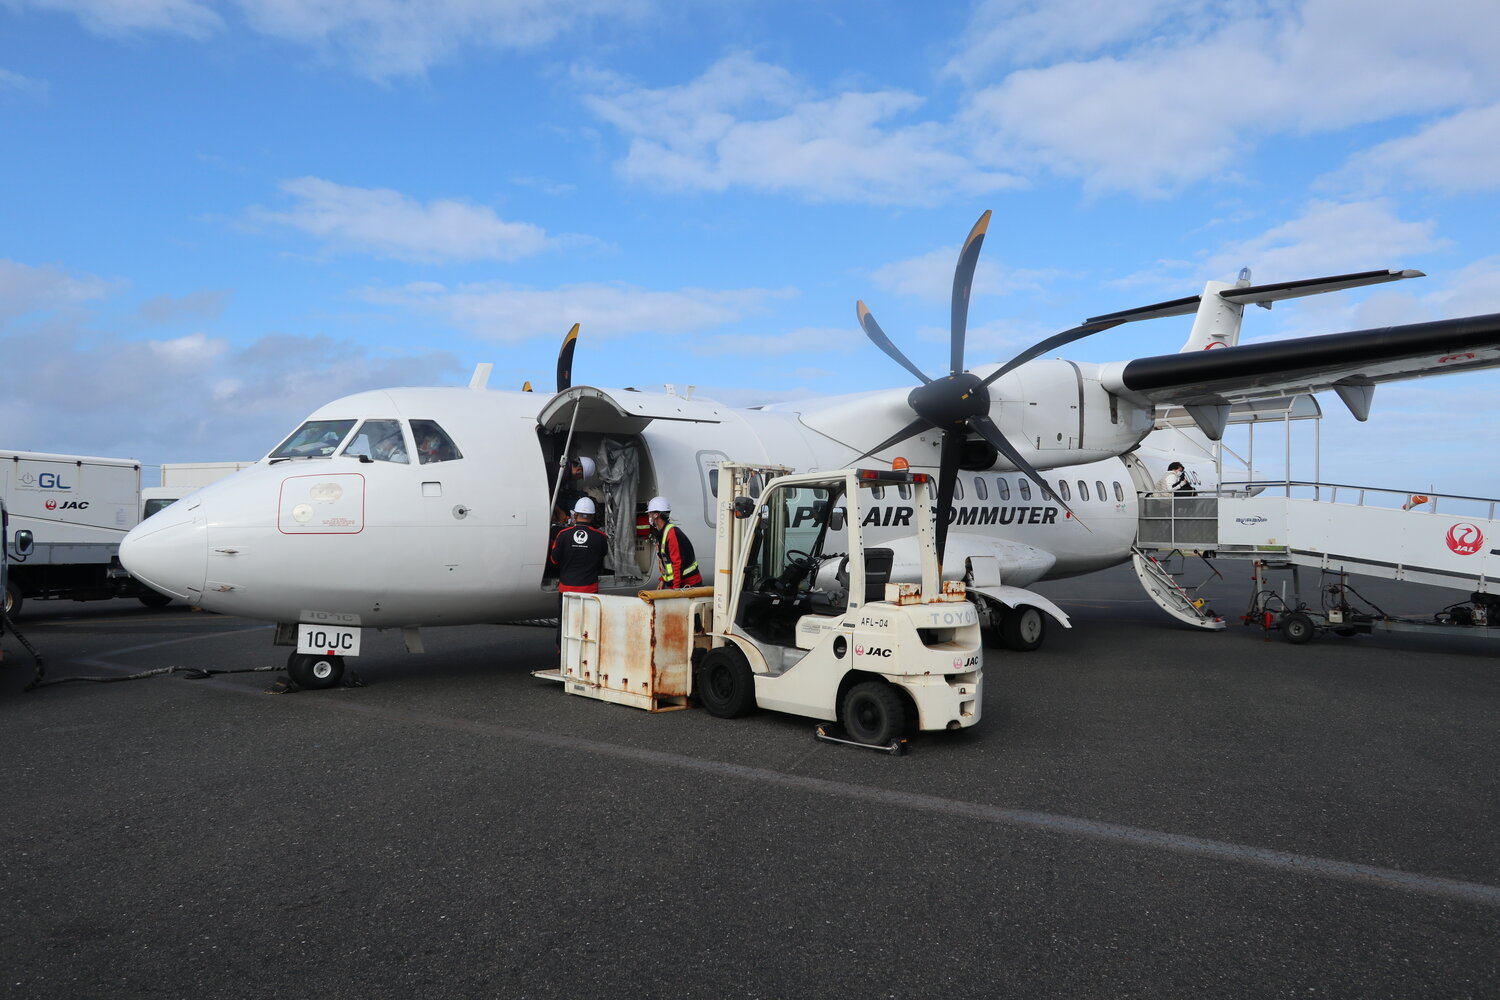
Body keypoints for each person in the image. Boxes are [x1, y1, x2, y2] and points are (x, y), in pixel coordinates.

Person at [550, 497, 608, 651]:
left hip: (567, 588)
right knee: (589, 623)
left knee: (565, 622)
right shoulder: (601, 537)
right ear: (593, 516)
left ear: (575, 514)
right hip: (589, 589)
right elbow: (602, 556)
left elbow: (554, 560)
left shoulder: (563, 535)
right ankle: (587, 655)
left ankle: (562, 654)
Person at [646, 496, 702, 590]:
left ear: (656, 515)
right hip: (680, 585)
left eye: (650, 514)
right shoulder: (662, 533)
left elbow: (677, 564)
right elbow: (667, 564)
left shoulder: (671, 534)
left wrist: (675, 590)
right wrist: (663, 580)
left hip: (689, 585)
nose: (649, 517)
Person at [553, 456, 597, 526]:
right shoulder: (563, 474)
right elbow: (548, 495)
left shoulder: (564, 468)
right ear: (578, 470)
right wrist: (559, 512)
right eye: (581, 477)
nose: (579, 479)